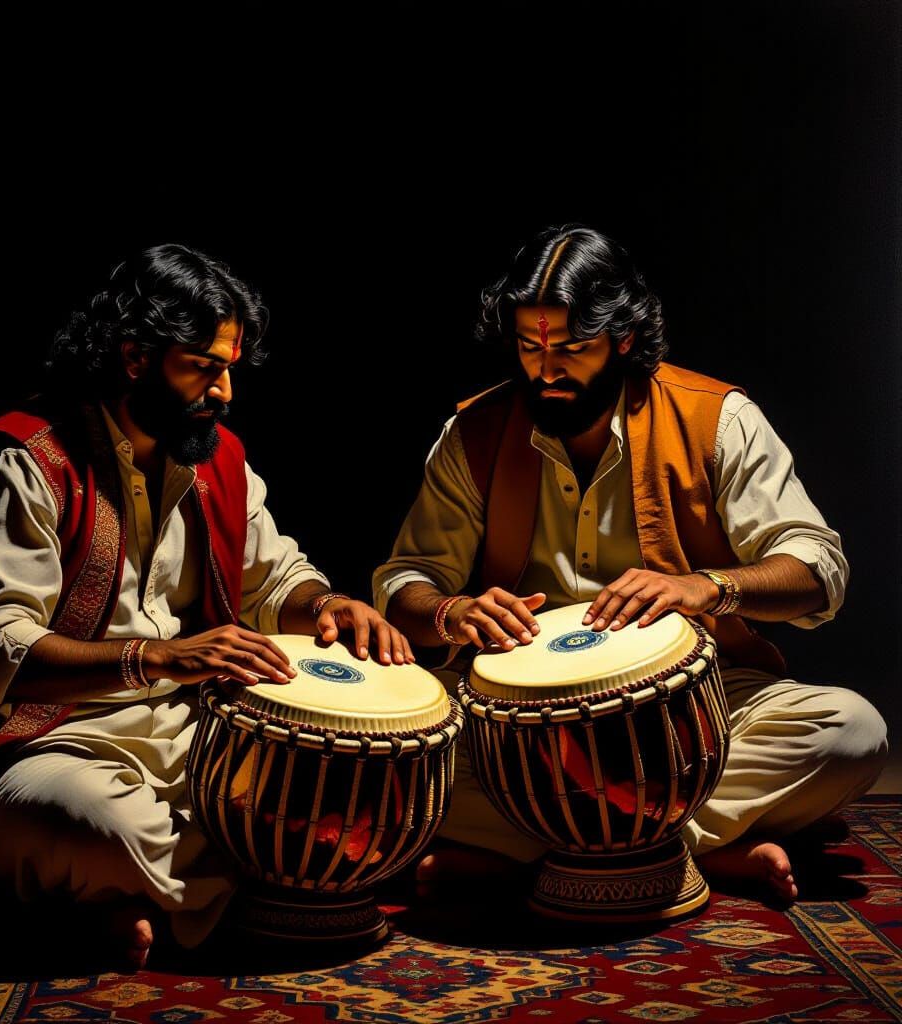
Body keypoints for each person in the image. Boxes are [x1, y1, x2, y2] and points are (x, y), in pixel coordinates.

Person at [0, 243, 413, 968]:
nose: (224, 391)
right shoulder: (24, 462)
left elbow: (275, 579)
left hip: (203, 738)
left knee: (339, 778)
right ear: (135, 357)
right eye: (203, 367)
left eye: (230, 368)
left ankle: (119, 910)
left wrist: (329, 602)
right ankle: (260, 900)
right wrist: (156, 658)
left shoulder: (216, 459)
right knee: (108, 825)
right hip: (53, 746)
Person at [373, 224, 887, 904]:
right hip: (517, 722)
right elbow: (405, 580)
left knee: (851, 732)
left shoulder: (717, 419)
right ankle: (695, 845)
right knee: (384, 761)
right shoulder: (474, 432)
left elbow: (818, 568)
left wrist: (707, 588)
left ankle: (529, 853)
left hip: (694, 709)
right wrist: (454, 611)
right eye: (529, 347)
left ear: (622, 338)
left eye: (571, 349)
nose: (545, 370)